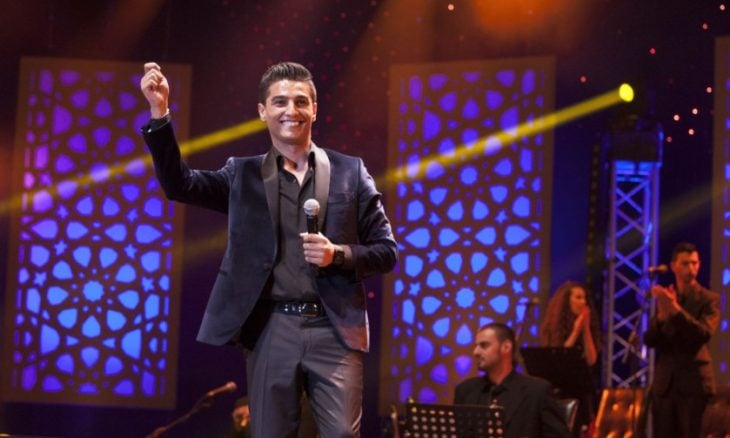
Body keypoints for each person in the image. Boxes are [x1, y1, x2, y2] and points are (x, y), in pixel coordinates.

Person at [139, 61, 398, 437]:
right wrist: (159, 111)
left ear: (314, 109)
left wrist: (337, 254)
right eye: (280, 102)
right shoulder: (241, 174)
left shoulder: (350, 172)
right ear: (263, 112)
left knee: (343, 433)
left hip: (334, 329)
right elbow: (180, 185)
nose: (291, 110)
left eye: (300, 101)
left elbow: (386, 251)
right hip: (271, 327)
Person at [644, 242, 720, 438]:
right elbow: (650, 340)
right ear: (674, 266)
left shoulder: (709, 299)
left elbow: (702, 334)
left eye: (694, 263)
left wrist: (676, 311)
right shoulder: (668, 297)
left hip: (694, 384)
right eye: (685, 264)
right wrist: (661, 318)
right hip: (666, 385)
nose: (691, 269)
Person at [454, 322, 570, 438]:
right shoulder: (465, 390)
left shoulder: (537, 391)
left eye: (484, 345)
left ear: (506, 347)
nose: (476, 352)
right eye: (476, 346)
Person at [539, 281, 600, 435]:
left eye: (584, 298)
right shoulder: (554, 327)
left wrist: (585, 329)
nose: (583, 302)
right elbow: (560, 355)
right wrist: (575, 330)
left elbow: (592, 359)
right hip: (558, 391)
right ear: (567, 301)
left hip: (580, 392)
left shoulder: (589, 326)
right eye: (578, 298)